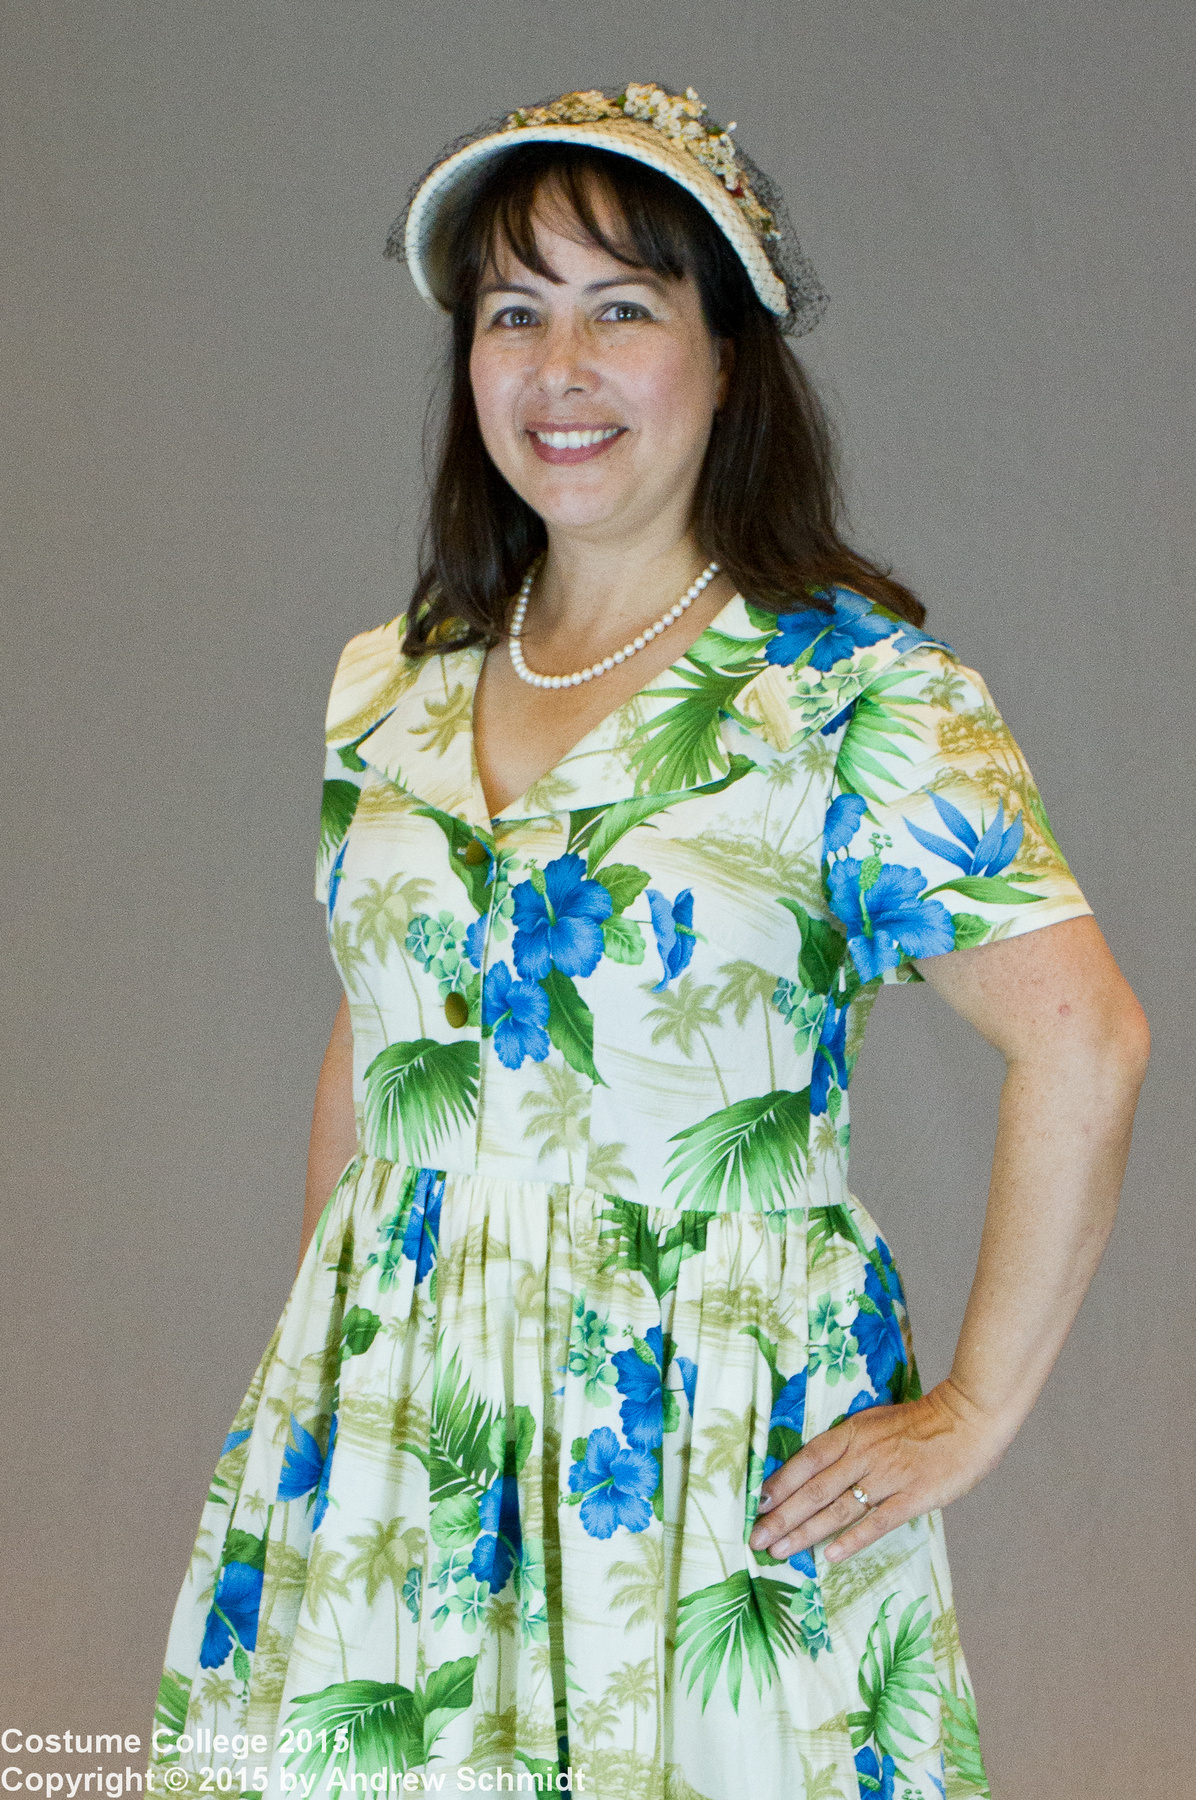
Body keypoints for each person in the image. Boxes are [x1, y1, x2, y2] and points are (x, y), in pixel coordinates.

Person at [148, 83, 1149, 1800]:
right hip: (394, 1436)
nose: (561, 369)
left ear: (730, 355)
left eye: (623, 309)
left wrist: (973, 1410)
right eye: (513, 315)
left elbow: (1088, 1039)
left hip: (691, 1444)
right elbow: (381, 1039)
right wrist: (313, 1371)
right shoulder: (385, 687)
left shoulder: (850, 698)